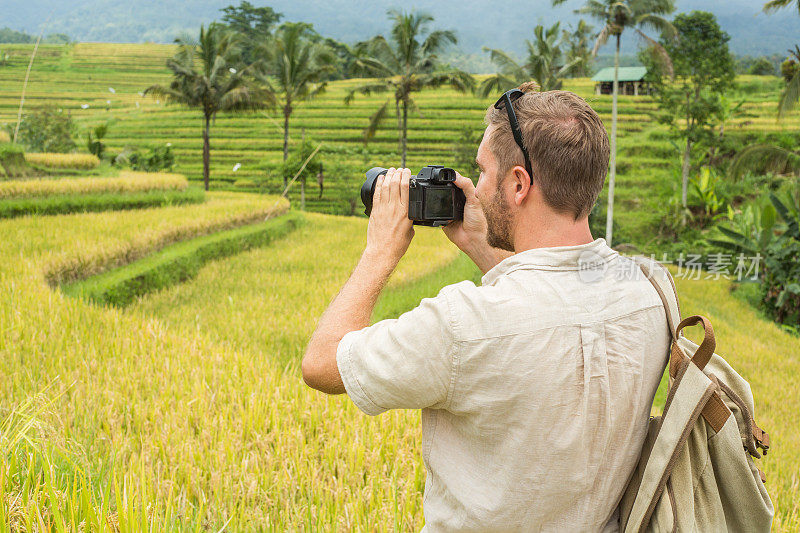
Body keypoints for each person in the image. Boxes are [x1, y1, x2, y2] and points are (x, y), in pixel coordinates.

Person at [301, 82, 669, 532]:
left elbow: (321, 364)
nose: (475, 187)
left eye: (484, 171)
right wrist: (481, 245)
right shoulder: (649, 293)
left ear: (518, 184)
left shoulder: (461, 324)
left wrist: (380, 251)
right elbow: (551, 296)